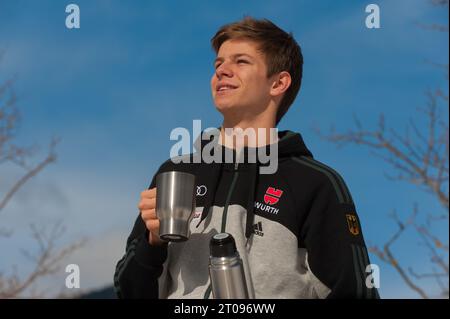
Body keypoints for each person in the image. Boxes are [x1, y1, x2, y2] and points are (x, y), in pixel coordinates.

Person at [114, 16, 379, 299]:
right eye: (218, 64)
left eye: (240, 62)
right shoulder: (176, 173)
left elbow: (356, 293)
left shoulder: (315, 183)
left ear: (278, 83)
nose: (222, 71)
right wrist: (151, 243)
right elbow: (128, 291)